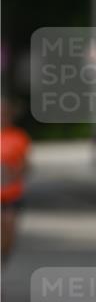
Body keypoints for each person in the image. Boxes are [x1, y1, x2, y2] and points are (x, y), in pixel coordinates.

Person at [1, 99, 31, 267]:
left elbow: (26, 164)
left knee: (8, 228)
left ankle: (3, 255)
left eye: (4, 114)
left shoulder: (18, 137)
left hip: (11, 193)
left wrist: (14, 174)